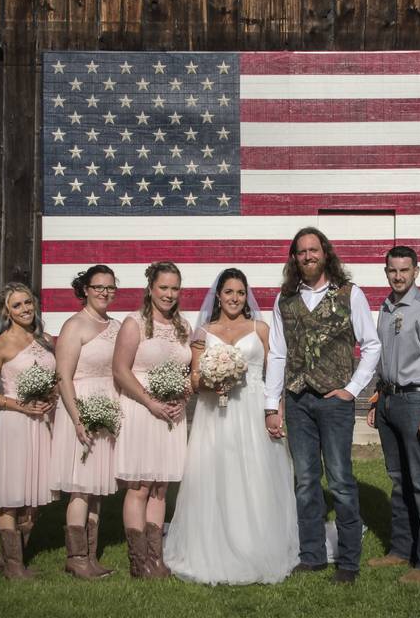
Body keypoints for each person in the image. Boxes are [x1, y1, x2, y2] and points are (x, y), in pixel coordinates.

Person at [164, 268, 300, 584]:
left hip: (252, 410)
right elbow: (195, 379)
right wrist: (213, 380)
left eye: (240, 292)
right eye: (229, 292)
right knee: (214, 473)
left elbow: (276, 376)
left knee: (255, 475)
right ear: (219, 296)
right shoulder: (203, 333)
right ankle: (213, 546)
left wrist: (277, 411)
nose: (235, 298)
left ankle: (257, 544)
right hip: (216, 414)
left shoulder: (261, 329)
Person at [265, 227, 381, 584]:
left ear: (325, 254)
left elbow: (371, 345)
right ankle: (312, 555)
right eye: (301, 252)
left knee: (342, 481)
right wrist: (273, 404)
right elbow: (278, 353)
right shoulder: (284, 299)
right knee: (305, 481)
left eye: (313, 250)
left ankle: (348, 561)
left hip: (334, 402)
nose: (308, 256)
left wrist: (351, 389)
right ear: (294, 258)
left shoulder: (350, 293)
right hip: (298, 401)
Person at [366, 246, 420, 584]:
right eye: (392, 270)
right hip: (388, 400)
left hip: (416, 402)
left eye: (404, 270)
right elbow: (382, 356)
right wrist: (376, 396)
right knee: (399, 481)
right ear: (386, 271)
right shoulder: (386, 306)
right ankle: (401, 548)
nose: (398, 276)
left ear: (417, 271)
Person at [112, 261, 191, 579]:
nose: (169, 294)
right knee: (140, 486)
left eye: (174, 288)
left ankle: (156, 558)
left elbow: (186, 371)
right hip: (141, 410)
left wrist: (182, 399)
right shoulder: (134, 324)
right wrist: (150, 401)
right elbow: (120, 370)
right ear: (150, 288)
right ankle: (138, 560)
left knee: (161, 486)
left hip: (172, 415)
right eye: (164, 287)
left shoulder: (183, 326)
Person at [0, 282, 58, 579]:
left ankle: (6, 557)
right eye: (18, 305)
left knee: (35, 497)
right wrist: (18, 405)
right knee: (10, 494)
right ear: (6, 312)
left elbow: (55, 380)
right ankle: (14, 565)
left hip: (42, 424)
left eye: (28, 303)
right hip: (14, 423)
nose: (25, 309)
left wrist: (50, 397)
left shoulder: (46, 340)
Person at [50, 265, 120, 579]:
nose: (104, 292)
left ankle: (90, 555)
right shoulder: (74, 325)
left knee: (96, 488)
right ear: (86, 289)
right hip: (80, 410)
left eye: (110, 287)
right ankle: (76, 557)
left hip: (107, 411)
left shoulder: (117, 326)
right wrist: (78, 419)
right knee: (80, 488)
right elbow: (63, 377)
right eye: (98, 287)